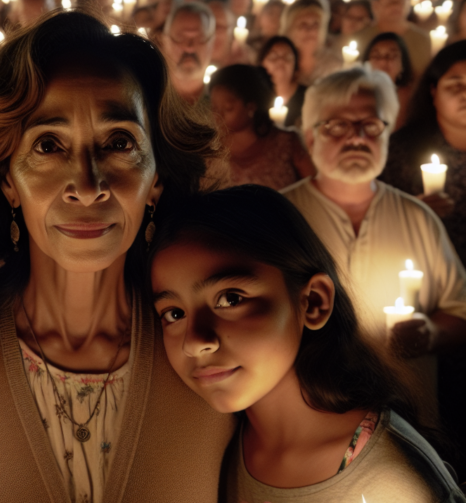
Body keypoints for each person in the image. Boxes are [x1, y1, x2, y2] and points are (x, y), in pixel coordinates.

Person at [0, 10, 234, 502]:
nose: (87, 186)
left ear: (156, 181)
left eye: (119, 142)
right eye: (49, 145)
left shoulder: (218, 355)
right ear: (8, 182)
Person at [148, 185, 466, 503]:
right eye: (174, 313)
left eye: (231, 299)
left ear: (313, 302)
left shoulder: (390, 484)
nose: (195, 341)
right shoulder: (218, 442)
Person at [282, 66, 466, 427]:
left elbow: (459, 310)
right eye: (336, 125)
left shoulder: (418, 219)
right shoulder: (279, 217)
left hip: (407, 417)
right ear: (309, 136)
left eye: (371, 125)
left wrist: (430, 335)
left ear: (387, 133)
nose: (356, 138)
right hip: (307, 416)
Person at [381, 42, 466, 476]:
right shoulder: (400, 151)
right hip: (426, 301)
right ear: (433, 90)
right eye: (456, 84)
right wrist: (416, 211)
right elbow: (377, 217)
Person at [206, 65, 314, 190]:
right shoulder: (209, 150)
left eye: (228, 108)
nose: (218, 115)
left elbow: (314, 189)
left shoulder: (286, 143)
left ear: (251, 106)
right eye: (214, 107)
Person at [353, 0, 431, 77]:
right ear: (376, 4)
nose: (395, 5)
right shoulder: (362, 37)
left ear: (409, 3)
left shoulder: (422, 39)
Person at [160, 2, 215, 104]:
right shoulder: (147, 98)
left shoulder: (222, 104)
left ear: (212, 43)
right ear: (165, 42)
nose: (189, 48)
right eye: (180, 38)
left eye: (200, 38)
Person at [281, 0, 342, 86]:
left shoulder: (334, 65)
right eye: (303, 24)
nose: (310, 30)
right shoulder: (281, 62)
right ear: (289, 29)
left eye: (315, 24)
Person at [363, 32, 414, 130]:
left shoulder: (407, 96)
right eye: (376, 56)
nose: (383, 61)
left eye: (392, 56)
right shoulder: (357, 93)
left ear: (403, 64)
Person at [258, 35, 307, 128]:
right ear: (261, 63)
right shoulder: (255, 96)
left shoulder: (308, 97)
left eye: (287, 57)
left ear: (295, 64)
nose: (281, 61)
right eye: (273, 57)